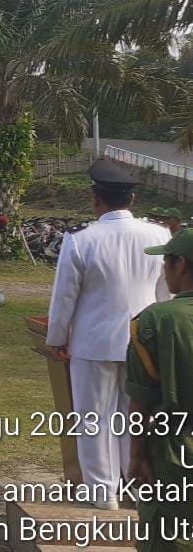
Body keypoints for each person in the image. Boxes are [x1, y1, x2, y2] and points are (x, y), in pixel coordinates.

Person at [46, 159, 170, 511]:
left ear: (95, 199)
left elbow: (64, 296)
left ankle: (102, 493)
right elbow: (166, 293)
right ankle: (136, 484)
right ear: (131, 199)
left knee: (93, 418)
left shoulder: (81, 241)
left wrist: (57, 338)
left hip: (93, 343)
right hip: (143, 341)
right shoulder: (159, 235)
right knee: (136, 416)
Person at [128, 230, 193, 551]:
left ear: (180, 264)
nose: (163, 272)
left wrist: (137, 458)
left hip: (174, 455)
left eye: (165, 263)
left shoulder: (154, 321)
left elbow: (140, 401)